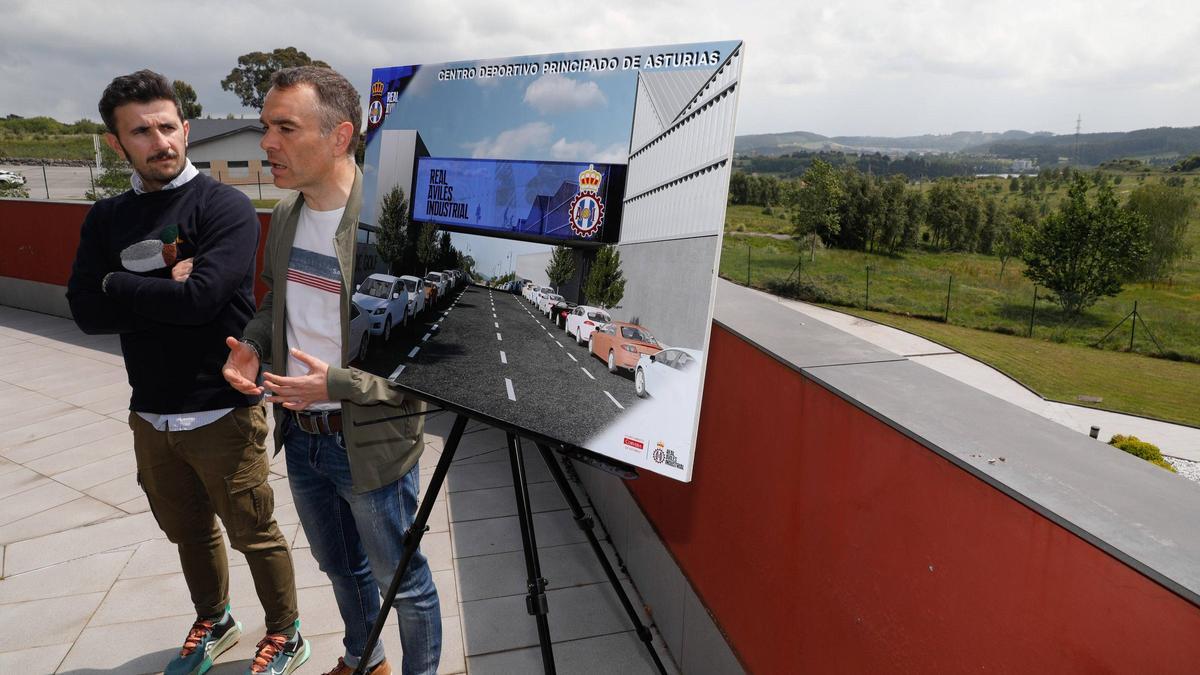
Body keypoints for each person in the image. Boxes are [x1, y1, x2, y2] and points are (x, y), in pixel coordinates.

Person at [66, 69, 307, 675]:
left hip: (222, 406)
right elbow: (85, 314)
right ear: (118, 143)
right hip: (149, 410)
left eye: (168, 127)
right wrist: (153, 286)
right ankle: (216, 619)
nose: (160, 141)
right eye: (141, 132)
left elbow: (200, 301)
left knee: (254, 531)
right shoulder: (106, 219)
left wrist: (117, 282)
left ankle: (287, 633)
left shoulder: (223, 205)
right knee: (188, 532)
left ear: (186, 128)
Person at [224, 66, 441, 675]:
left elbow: (423, 351)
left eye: (285, 128)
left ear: (340, 135)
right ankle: (364, 656)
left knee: (402, 579)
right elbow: (275, 303)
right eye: (267, 126)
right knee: (338, 565)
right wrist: (253, 345)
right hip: (302, 436)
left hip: (370, 440)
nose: (267, 142)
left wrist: (336, 385)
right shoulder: (288, 213)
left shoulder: (397, 227)